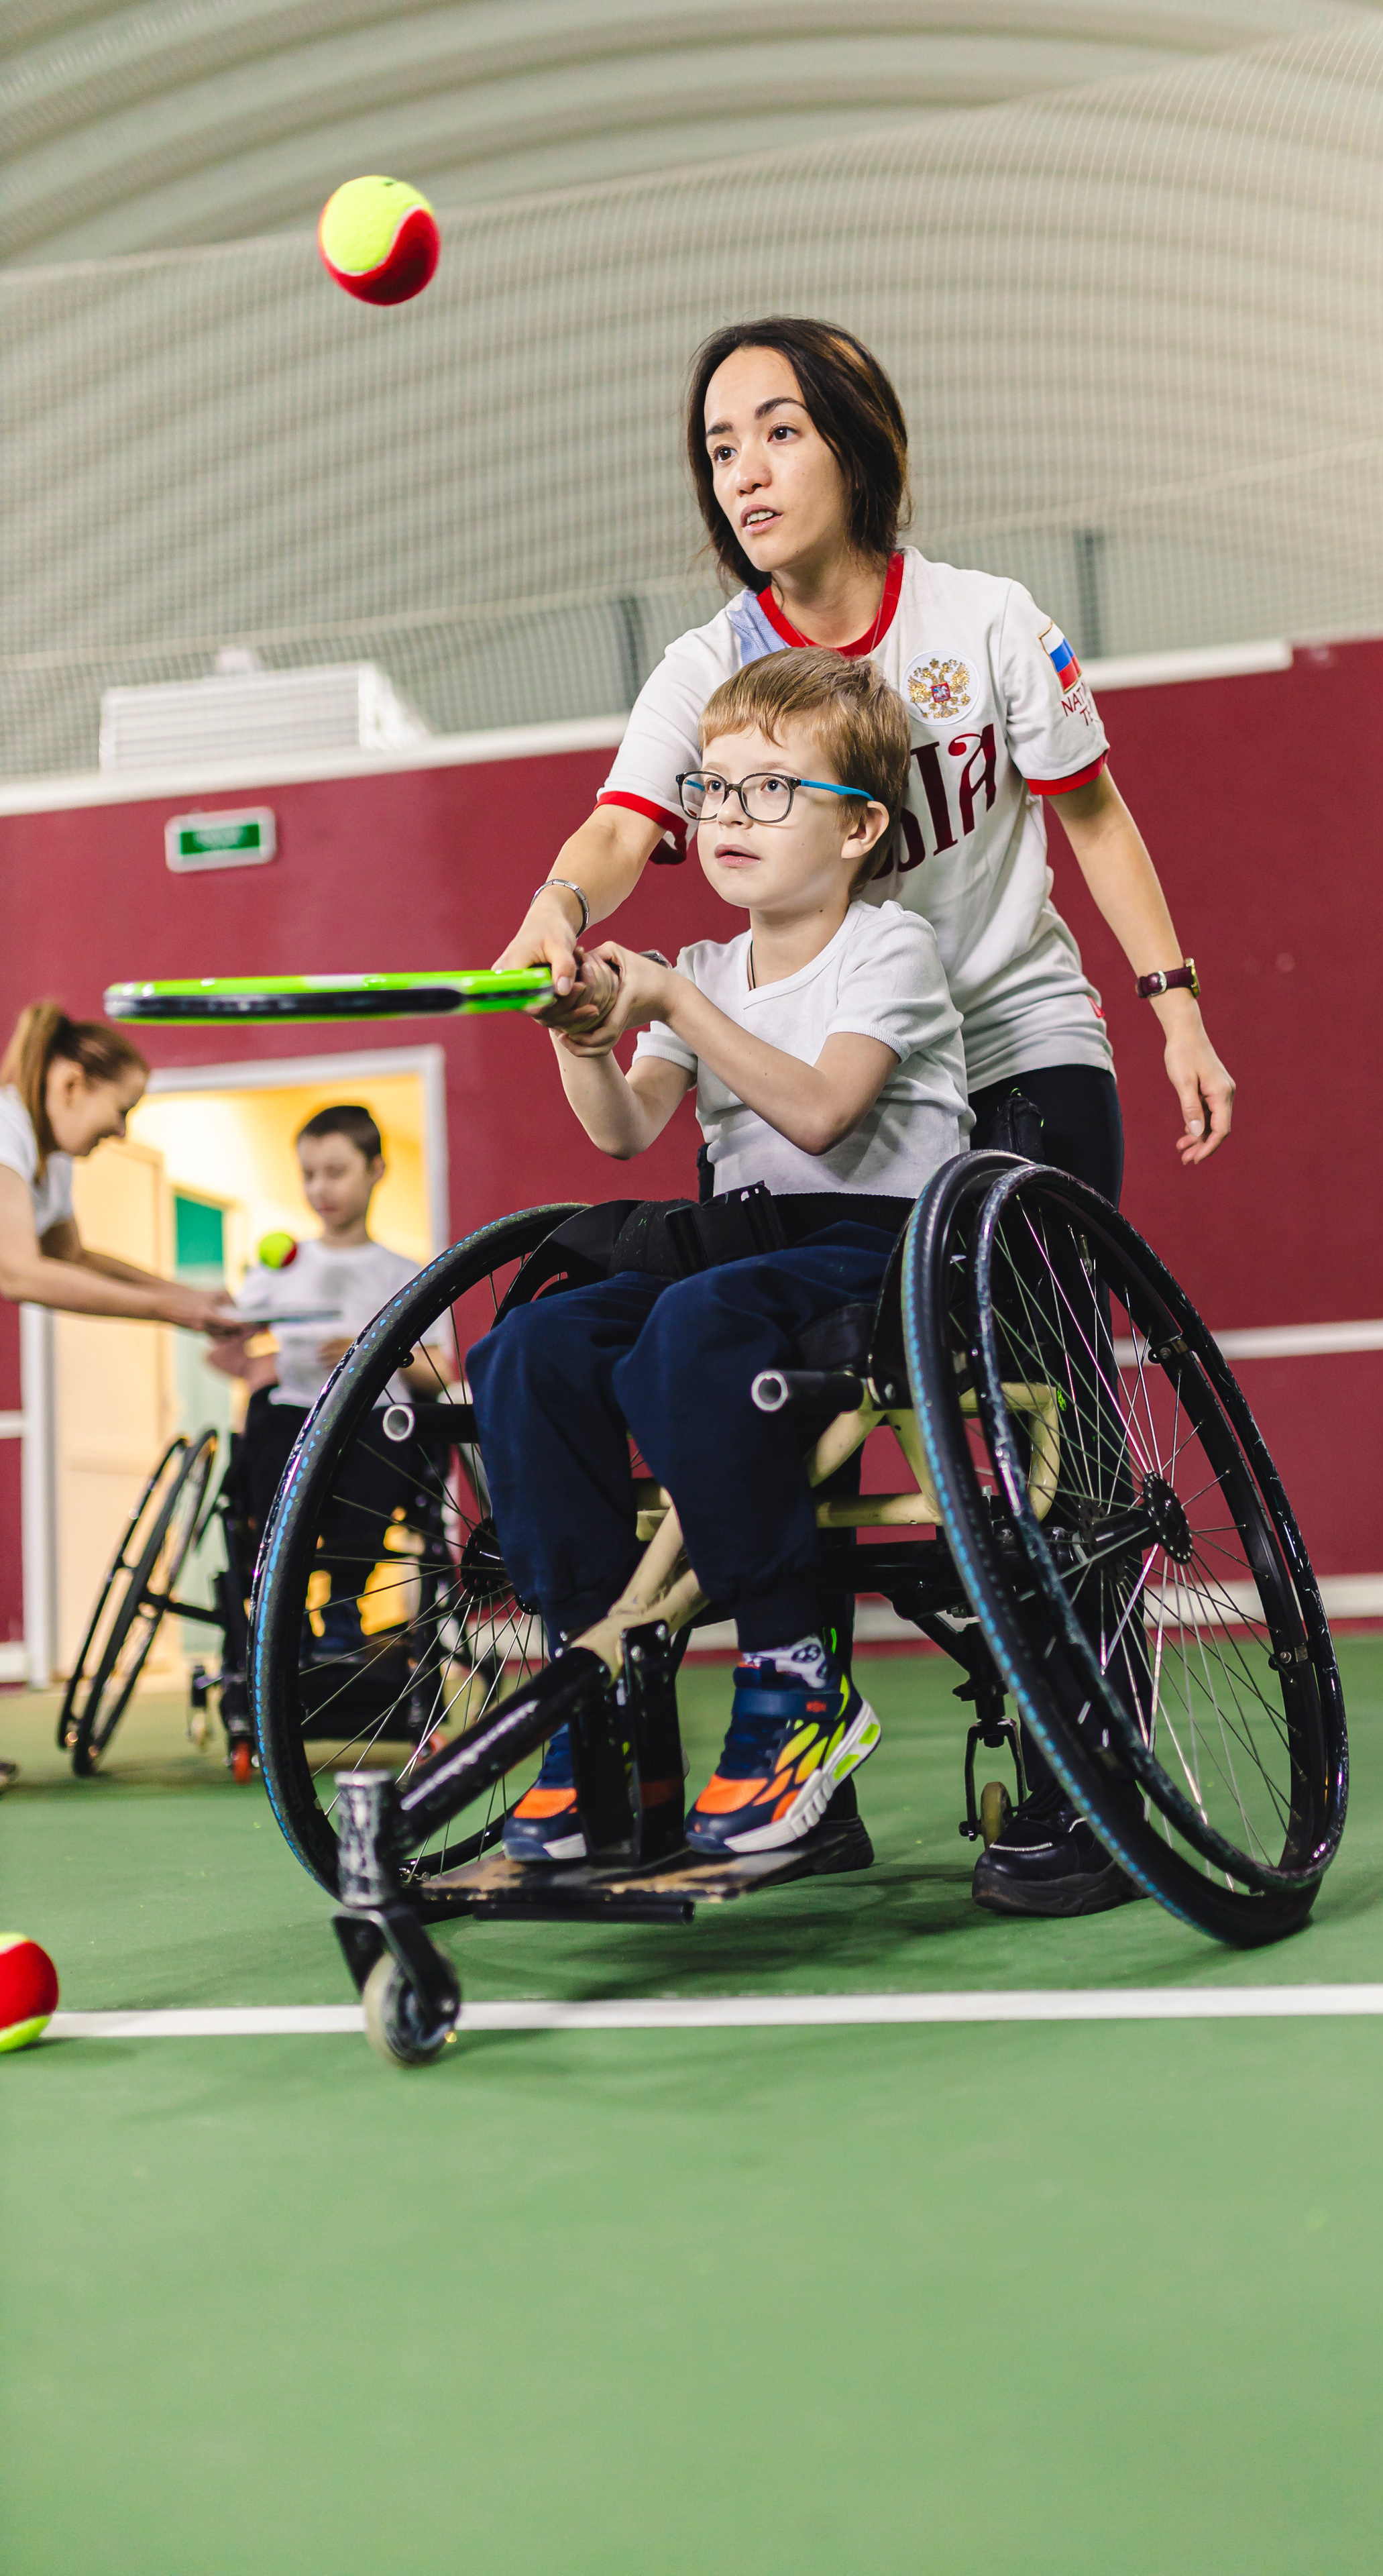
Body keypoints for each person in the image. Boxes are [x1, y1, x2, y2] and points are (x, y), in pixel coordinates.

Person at [494, 315, 1232, 1915]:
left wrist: (1170, 1004)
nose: (743, 471)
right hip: (793, 1049)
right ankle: (779, 1758)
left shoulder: (984, 624)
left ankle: (1082, 1754)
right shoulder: (711, 670)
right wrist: (555, 916)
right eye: (716, 448)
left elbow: (1091, 816)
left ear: (853, 443)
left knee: (1039, 1383)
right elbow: (617, 834)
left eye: (774, 432)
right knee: (720, 1351)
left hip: (1003, 1040)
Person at [469, 647, 969, 1865]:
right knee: (529, 1346)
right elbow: (626, 1129)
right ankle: (602, 1699)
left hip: (879, 1247)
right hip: (739, 1253)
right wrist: (580, 1029)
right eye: (714, 789)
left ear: (859, 832)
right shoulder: (702, 969)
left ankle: (798, 1679)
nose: (729, 816)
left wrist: (680, 1013)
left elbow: (820, 1114)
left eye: (770, 791)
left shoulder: (884, 952)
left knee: (697, 1333)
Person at [215, 1106, 433, 1662]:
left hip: (373, 1420)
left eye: (335, 1172)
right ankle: (280, 1610)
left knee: (379, 1442)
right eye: (308, 1174)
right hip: (291, 1413)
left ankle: (342, 1610)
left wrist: (375, 1352)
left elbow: (442, 1371)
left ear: (376, 1169)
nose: (319, 1188)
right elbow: (223, 1352)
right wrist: (250, 1356)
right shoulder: (282, 1265)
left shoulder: (404, 1272)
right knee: (269, 1423)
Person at [0, 1002, 239, 1339]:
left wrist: (186, 1296)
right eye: (121, 1110)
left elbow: (73, 1257)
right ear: (72, 1085)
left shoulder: (54, 1160)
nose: (122, 1133)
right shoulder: (5, 1129)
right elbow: (17, 1274)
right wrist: (170, 1309)